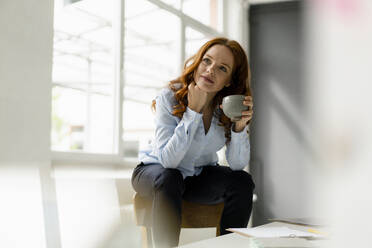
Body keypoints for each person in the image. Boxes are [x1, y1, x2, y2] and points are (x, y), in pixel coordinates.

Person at [131, 37, 255, 248]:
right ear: (198, 63)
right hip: (156, 171)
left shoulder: (223, 108)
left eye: (222, 68)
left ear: (229, 81)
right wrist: (193, 111)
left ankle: (231, 246)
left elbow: (236, 165)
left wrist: (239, 127)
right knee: (171, 176)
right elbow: (168, 162)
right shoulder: (169, 97)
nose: (210, 70)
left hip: (198, 176)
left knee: (242, 180)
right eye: (207, 61)